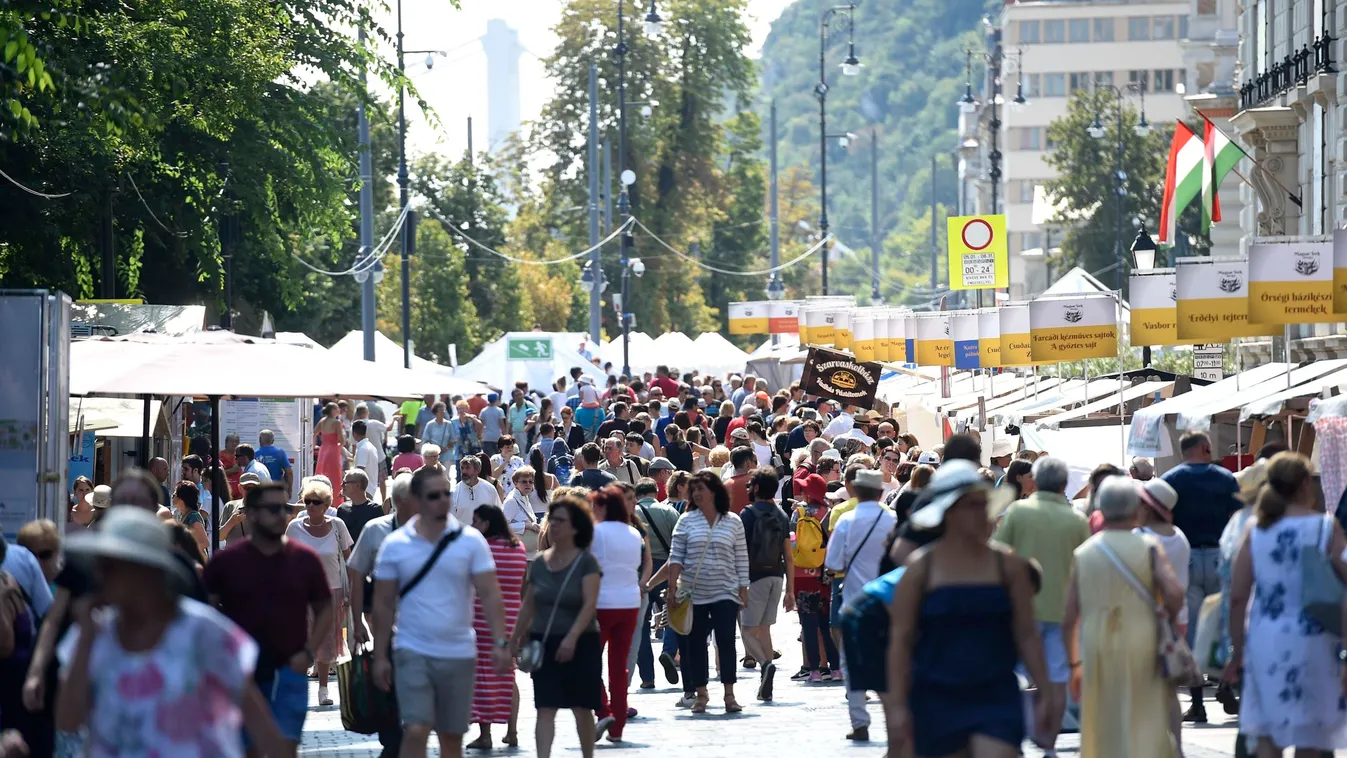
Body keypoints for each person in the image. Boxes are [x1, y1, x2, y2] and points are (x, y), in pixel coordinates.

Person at [56, 507, 288, 757]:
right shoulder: (93, 634)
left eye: (111, 566)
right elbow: (68, 721)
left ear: (145, 570)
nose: (100, 576)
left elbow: (258, 720)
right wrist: (86, 639)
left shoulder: (201, 631)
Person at [887, 461, 1050, 758]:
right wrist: (897, 706)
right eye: (971, 505)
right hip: (936, 696)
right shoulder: (920, 571)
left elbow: (1027, 632)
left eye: (983, 504)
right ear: (949, 512)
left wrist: (1045, 689)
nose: (981, 512)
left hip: (995, 692)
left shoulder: (1009, 566)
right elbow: (901, 641)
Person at [371, 468, 511, 758]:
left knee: (451, 736)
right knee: (416, 728)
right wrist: (380, 654)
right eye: (433, 496)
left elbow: (489, 592)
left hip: (459, 651)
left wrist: (501, 642)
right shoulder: (395, 545)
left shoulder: (470, 540)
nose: (442, 501)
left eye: (446, 494)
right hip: (412, 649)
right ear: (416, 500)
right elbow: (382, 603)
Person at [1225, 451, 1347, 756]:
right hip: (1316, 638)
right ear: (1306, 483)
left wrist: (1235, 651)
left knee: (1267, 733)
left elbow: (1238, 595)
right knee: (1310, 736)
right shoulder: (1324, 526)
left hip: (1265, 639)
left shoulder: (1256, 529)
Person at [205, 481, 334, 758]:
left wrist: (310, 651)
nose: (281, 515)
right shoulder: (226, 562)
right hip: (241, 673)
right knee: (247, 751)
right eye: (273, 509)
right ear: (251, 513)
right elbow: (205, 612)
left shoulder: (304, 560)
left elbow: (326, 607)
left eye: (285, 508)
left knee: (284, 750)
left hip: (289, 669)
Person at [1062, 476, 1183, 758]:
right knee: (1147, 712)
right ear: (1135, 509)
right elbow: (1175, 594)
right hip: (1143, 638)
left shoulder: (1084, 553)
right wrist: (1168, 618)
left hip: (1097, 643)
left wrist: (1073, 664)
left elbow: (1069, 617)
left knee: (1104, 716)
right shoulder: (1150, 547)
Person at [989, 455, 1088, 754]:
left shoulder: (1018, 512)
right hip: (1063, 612)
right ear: (1063, 483)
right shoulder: (1077, 519)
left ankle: (1016, 735)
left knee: (1014, 676)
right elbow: (1083, 566)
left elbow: (998, 555)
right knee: (1057, 680)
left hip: (1021, 610)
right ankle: (1049, 743)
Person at [513, 495, 603, 758]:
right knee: (545, 706)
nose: (553, 525)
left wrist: (572, 638)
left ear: (576, 526)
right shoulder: (540, 562)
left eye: (560, 521)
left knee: (582, 707)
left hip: (582, 642)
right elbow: (529, 604)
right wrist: (514, 638)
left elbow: (589, 605)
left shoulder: (587, 562)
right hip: (544, 641)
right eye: (551, 520)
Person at [1161, 430, 1241, 723]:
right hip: (1221, 555)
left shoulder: (1170, 480)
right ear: (1206, 448)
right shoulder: (1225, 478)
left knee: (1193, 632)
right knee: (1225, 626)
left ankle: (1197, 703)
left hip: (1188, 558)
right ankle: (1226, 683)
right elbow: (1237, 518)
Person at [666, 471, 750, 714]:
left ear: (714, 491)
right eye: (695, 490)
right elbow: (676, 557)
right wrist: (672, 589)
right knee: (695, 644)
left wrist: (743, 588)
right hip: (694, 592)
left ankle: (729, 694)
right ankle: (701, 693)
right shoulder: (686, 521)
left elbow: (741, 557)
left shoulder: (733, 521)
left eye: (702, 489)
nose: (697, 494)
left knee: (726, 641)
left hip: (725, 590)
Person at [825, 468, 897, 742]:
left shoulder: (846, 521)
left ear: (855, 491)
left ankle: (860, 722)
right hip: (889, 600)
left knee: (853, 662)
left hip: (856, 600)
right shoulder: (891, 518)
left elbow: (833, 563)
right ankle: (895, 718)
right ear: (880, 493)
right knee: (891, 660)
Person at [346, 474, 415, 758]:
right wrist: (357, 620)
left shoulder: (433, 531)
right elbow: (356, 574)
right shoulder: (376, 530)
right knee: (389, 683)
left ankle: (410, 737)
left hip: (423, 626)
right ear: (399, 501)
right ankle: (393, 742)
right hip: (385, 624)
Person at [588, 486, 649, 741]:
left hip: (601, 603)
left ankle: (603, 710)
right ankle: (618, 726)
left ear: (602, 507)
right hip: (629, 601)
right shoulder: (634, 533)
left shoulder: (595, 532)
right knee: (618, 667)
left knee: (588, 662)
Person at [284, 479, 352, 706]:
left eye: (316, 502)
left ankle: (323, 689)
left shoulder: (338, 526)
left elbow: (349, 559)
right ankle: (296, 689)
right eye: (307, 502)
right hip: (300, 592)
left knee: (327, 640)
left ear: (326, 505)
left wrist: (351, 590)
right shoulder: (294, 527)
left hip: (330, 590)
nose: (310, 506)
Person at [467, 504, 528, 750]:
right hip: (513, 615)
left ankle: (485, 733)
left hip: (483, 616)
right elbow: (522, 583)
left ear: (486, 524)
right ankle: (512, 731)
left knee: (483, 676)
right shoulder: (518, 547)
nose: (473, 527)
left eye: (476, 521)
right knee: (508, 674)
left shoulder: (482, 549)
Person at [738, 466, 795, 701]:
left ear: (758, 488)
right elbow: (788, 556)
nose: (748, 488)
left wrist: (739, 583)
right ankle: (766, 680)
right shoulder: (781, 514)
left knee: (747, 631)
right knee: (765, 629)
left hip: (754, 578)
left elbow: (739, 551)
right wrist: (790, 590)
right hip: (777, 577)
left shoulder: (747, 514)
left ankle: (764, 665)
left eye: (750, 485)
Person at [791, 474, 840, 681]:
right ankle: (836, 668)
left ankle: (814, 671)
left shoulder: (798, 512)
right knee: (825, 623)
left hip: (802, 574)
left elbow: (792, 541)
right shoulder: (827, 513)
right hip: (824, 574)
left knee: (808, 624)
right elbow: (833, 543)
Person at [501, 467, 543, 558]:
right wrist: (526, 526)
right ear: (515, 483)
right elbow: (502, 527)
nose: (528, 484)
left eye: (530, 482)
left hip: (528, 554)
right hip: (517, 554)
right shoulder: (511, 501)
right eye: (524, 482)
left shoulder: (524, 497)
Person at [337, 469, 384, 546]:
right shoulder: (342, 509)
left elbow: (379, 538)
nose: (342, 485)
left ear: (357, 485)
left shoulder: (375, 509)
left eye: (345, 482)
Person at [450, 455, 502, 526]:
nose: (464, 471)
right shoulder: (454, 492)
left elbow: (498, 514)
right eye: (462, 468)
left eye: (468, 468)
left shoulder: (490, 489)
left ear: (477, 470)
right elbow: (450, 519)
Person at [315, 402, 347, 507]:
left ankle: (319, 497)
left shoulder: (322, 421)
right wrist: (339, 446)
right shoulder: (337, 423)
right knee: (334, 477)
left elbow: (314, 433)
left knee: (322, 473)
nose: (339, 410)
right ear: (333, 410)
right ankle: (335, 502)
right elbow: (342, 440)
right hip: (333, 450)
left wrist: (315, 445)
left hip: (323, 450)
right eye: (337, 408)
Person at [172, 480, 211, 556]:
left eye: (175, 493)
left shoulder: (193, 516)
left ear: (182, 499)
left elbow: (205, 543)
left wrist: (184, 550)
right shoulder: (182, 515)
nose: (173, 495)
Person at [16, 520, 60, 586]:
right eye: (30, 555)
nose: (37, 562)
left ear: (57, 553)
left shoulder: (72, 588)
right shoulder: (13, 586)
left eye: (44, 555)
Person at [351, 421, 383, 503]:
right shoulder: (371, 447)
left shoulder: (363, 449)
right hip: (370, 487)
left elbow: (359, 471)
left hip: (363, 490)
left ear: (354, 433)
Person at [255, 430, 294, 495]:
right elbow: (289, 472)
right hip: (277, 489)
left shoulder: (255, 454)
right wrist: (289, 490)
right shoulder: (280, 452)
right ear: (273, 441)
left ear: (260, 439)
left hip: (260, 490)